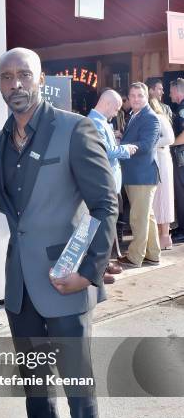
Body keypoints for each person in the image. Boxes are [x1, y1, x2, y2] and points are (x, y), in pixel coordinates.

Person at [0, 48, 118, 418]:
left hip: (67, 282)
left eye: (24, 74)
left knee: (79, 385)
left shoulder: (74, 128)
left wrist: (90, 271)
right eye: (7, 77)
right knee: (35, 382)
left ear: (42, 79)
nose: (16, 83)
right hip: (20, 285)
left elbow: (105, 205)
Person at [88, 89, 138, 280]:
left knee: (110, 224)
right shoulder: (94, 123)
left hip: (111, 181)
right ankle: (98, 269)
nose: (117, 112)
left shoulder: (101, 123)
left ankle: (104, 263)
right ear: (107, 104)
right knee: (104, 225)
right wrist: (125, 149)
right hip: (104, 181)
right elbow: (105, 151)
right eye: (116, 108)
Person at [118, 82, 161, 268]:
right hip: (137, 175)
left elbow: (146, 145)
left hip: (142, 176)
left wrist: (123, 148)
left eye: (140, 96)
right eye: (132, 95)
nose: (136, 99)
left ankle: (135, 257)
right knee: (147, 216)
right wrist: (122, 137)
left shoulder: (150, 118)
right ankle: (153, 254)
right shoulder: (135, 115)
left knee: (138, 217)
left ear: (146, 98)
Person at [149, 97, 175, 249]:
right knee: (158, 198)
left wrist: (150, 142)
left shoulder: (159, 118)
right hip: (157, 159)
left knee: (164, 196)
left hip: (162, 160)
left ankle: (165, 235)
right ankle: (161, 234)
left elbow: (170, 138)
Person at [169, 78, 184, 242]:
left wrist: (170, 143)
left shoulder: (182, 108)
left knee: (181, 193)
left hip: (182, 158)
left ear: (178, 91)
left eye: (171, 91)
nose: (170, 94)